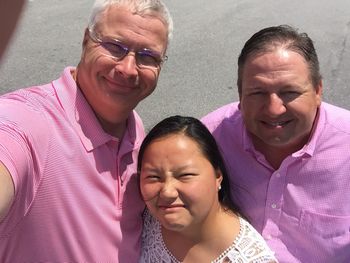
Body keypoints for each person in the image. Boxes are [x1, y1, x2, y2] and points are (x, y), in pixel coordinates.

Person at [0, 0, 173, 262]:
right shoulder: (28, 121)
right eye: (115, 47)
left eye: (147, 57)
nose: (128, 69)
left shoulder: (136, 132)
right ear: (86, 40)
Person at [201, 25, 350, 262]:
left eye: (289, 92)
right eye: (258, 93)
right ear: (240, 95)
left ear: (318, 90)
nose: (274, 109)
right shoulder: (210, 137)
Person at [137, 115, 277, 263]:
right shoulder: (147, 216)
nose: (167, 192)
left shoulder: (250, 258)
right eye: (153, 177)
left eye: (185, 175)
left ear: (217, 176)